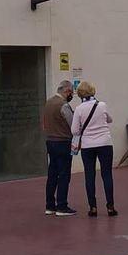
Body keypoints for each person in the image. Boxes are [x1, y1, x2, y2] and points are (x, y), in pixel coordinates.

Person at [71, 82, 116, 217]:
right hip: (105, 143)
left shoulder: (79, 109)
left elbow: (74, 130)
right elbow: (110, 119)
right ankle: (110, 207)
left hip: (88, 145)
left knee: (89, 175)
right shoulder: (102, 105)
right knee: (106, 174)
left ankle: (93, 207)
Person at [42, 80, 76, 216]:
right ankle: (62, 205)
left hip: (50, 141)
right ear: (67, 91)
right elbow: (72, 124)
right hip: (63, 142)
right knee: (63, 174)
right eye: (71, 92)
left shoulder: (48, 102)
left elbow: (44, 122)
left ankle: (49, 205)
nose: (71, 95)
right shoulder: (64, 106)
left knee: (52, 174)